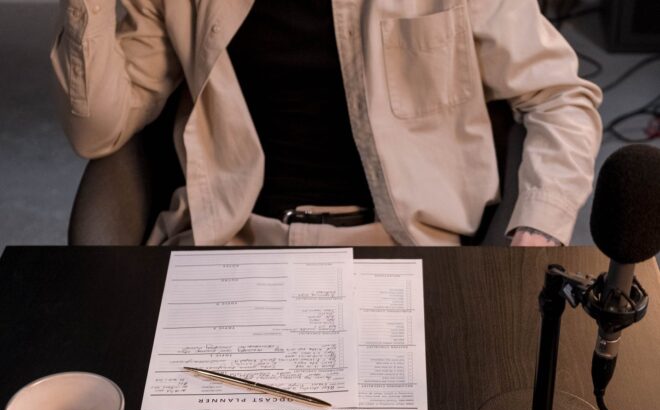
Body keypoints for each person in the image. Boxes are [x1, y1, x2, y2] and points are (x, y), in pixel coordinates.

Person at [50, 0, 602, 247]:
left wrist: (536, 229)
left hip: (401, 246)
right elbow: (98, 130)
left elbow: (559, 96)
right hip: (231, 238)